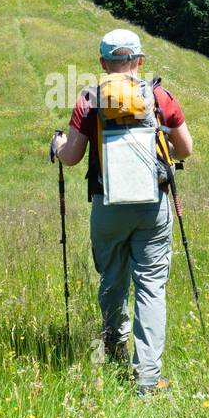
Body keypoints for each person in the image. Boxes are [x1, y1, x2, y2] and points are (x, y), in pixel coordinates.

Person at [51, 29, 193, 395]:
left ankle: (115, 342)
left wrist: (58, 145)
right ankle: (147, 378)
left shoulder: (89, 99)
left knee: (113, 277)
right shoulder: (159, 96)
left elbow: (72, 157)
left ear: (102, 63)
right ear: (139, 61)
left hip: (107, 203)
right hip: (153, 203)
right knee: (150, 286)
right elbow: (186, 149)